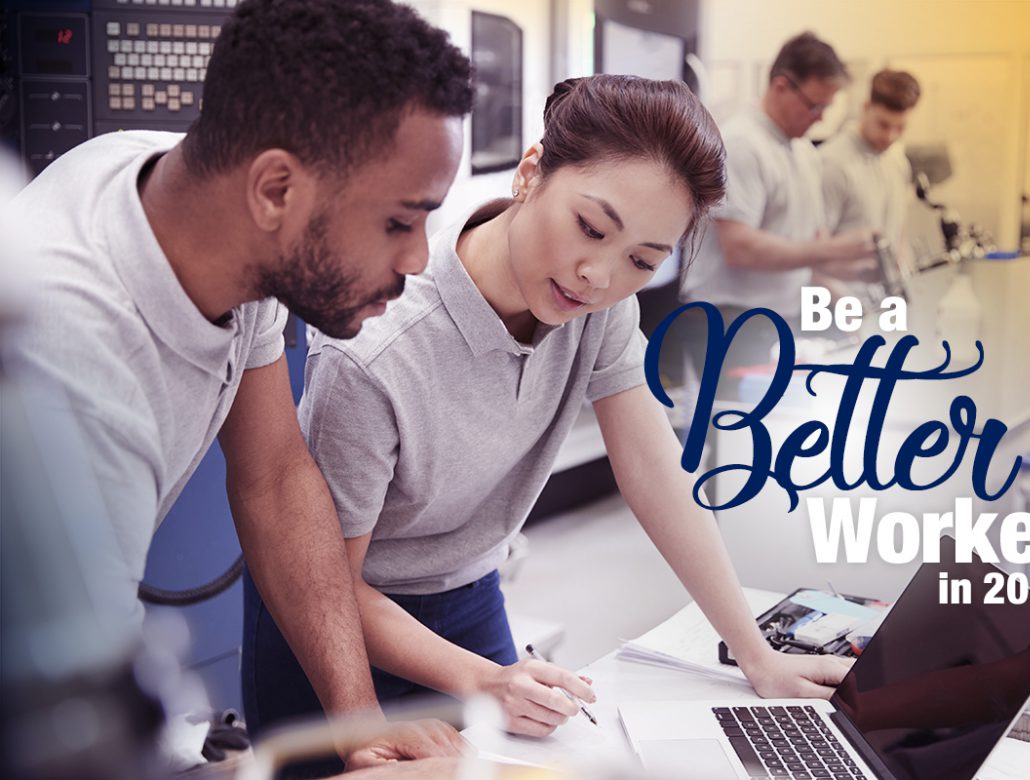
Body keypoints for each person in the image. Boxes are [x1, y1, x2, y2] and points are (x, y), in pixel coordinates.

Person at [243, 74, 853, 742]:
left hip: (469, 595)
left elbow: (655, 474)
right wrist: (484, 680)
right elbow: (324, 580)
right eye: (590, 228)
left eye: (642, 261)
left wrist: (756, 655)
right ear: (531, 172)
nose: (600, 276)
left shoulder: (600, 308)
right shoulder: (379, 349)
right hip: (336, 621)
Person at [0, 0, 473, 772]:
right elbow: (85, 753)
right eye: (398, 222)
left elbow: (276, 476)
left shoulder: (202, 207)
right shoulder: (77, 373)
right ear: (277, 191)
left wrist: (360, 727)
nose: (419, 260)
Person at [679, 32, 877, 381]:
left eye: (827, 108)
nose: (820, 118)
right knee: (733, 430)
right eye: (815, 105)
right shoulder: (742, 144)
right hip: (729, 323)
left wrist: (847, 291)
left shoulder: (802, 152)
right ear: (782, 86)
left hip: (779, 320)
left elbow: (799, 249)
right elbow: (740, 248)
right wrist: (830, 250)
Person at [820, 69, 921, 270]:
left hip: (885, 296)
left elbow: (898, 230)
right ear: (866, 108)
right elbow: (816, 249)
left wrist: (903, 271)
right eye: (883, 125)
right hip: (840, 295)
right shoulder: (831, 163)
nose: (891, 136)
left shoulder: (898, 162)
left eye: (900, 127)